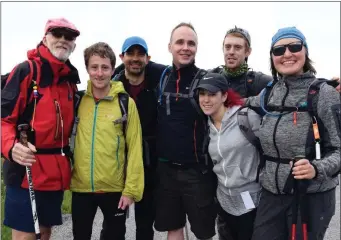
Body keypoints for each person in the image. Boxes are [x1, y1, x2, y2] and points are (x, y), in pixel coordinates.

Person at [246, 27, 340, 239]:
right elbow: (239, 103)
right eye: (279, 50)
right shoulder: (269, 92)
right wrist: (211, 97)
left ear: (305, 52)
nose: (287, 54)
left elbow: (339, 149)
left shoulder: (324, 93)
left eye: (294, 47)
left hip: (312, 196)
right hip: (272, 194)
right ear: (272, 58)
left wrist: (316, 168)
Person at [1, 18, 81, 240]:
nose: (63, 40)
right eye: (57, 34)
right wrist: (11, 147)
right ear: (45, 38)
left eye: (70, 37)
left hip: (55, 174)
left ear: (74, 44)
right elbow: (3, 119)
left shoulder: (70, 82)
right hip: (25, 171)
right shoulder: (26, 72)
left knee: (44, 234)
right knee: (26, 236)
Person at [70, 42, 144, 240]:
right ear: (87, 69)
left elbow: (135, 148)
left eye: (105, 67)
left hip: (114, 189)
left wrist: (131, 191)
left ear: (113, 69)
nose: (99, 73)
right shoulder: (77, 101)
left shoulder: (126, 103)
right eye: (94, 67)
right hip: (81, 188)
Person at [154, 22, 217, 240]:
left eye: (191, 43)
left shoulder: (206, 79)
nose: (185, 47)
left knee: (203, 233)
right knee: (173, 227)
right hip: (166, 171)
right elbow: (133, 66)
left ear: (197, 48)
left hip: (197, 172)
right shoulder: (161, 77)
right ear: (169, 46)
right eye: (180, 42)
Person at [100, 36, 162, 240]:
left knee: (145, 223)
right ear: (122, 57)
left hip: (149, 163)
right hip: (118, 162)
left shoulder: (158, 85)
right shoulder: (112, 88)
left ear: (147, 58)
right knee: (113, 223)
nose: (135, 58)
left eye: (140, 54)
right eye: (130, 54)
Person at [195, 72, 262, 240]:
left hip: (251, 201)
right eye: (202, 94)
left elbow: (271, 148)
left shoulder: (246, 117)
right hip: (224, 202)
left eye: (212, 94)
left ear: (224, 96)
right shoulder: (206, 125)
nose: (206, 99)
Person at [210, 26, 273, 98]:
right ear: (223, 49)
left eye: (237, 47)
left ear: (248, 52)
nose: (231, 52)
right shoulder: (210, 77)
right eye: (227, 47)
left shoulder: (259, 81)